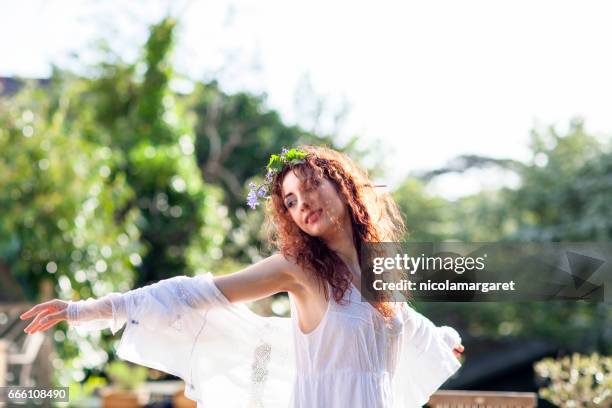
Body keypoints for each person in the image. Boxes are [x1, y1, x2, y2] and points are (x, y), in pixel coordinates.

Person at [21, 145, 464, 407]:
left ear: (343, 186)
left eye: (310, 187)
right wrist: (88, 310)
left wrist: (442, 340)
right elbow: (193, 294)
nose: (302, 203)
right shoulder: (300, 269)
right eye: (290, 200)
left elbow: (403, 326)